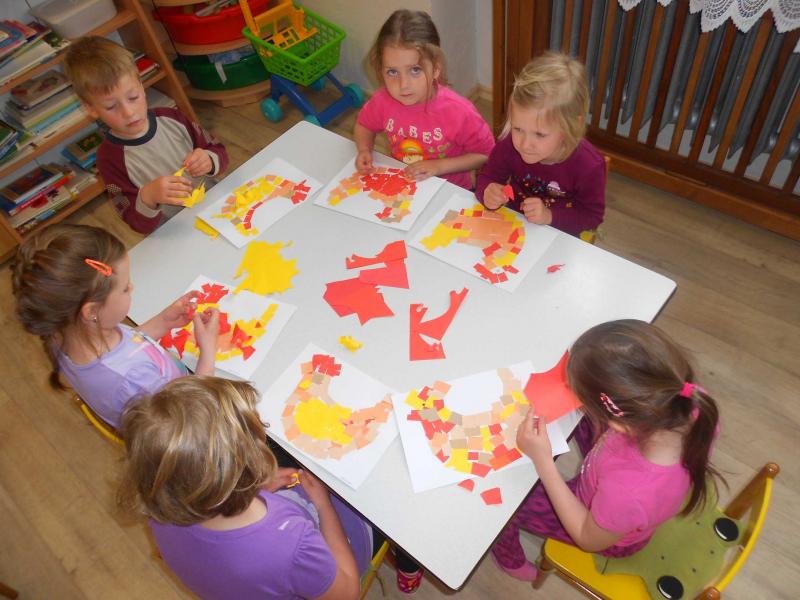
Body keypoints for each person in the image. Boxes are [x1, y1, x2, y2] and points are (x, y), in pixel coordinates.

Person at [492, 319, 722, 581]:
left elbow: (587, 538)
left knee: (505, 505)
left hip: (599, 527)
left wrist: (543, 461)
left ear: (619, 424)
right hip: (617, 482)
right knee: (572, 415)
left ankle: (509, 559)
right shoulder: (687, 399)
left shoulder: (628, 493)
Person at [117, 375, 373, 600]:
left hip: (242, 576)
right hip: (314, 568)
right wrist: (323, 505)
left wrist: (256, 488)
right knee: (366, 502)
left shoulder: (160, 506)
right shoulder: (291, 545)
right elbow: (347, 593)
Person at [11, 224, 219, 429]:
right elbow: (192, 419)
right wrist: (208, 353)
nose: (132, 287)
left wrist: (163, 321)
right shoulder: (136, 382)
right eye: (125, 288)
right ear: (92, 311)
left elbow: (128, 347)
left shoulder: (64, 333)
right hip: (192, 414)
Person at [63, 36, 229, 234]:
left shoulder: (172, 117)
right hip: (177, 233)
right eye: (111, 106)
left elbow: (218, 151)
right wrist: (148, 197)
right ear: (91, 109)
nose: (128, 112)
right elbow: (135, 222)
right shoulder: (109, 159)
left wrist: (209, 160)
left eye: (132, 97)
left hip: (219, 207)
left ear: (141, 86)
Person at [354, 9, 494, 190]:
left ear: (435, 69)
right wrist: (364, 149)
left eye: (415, 70)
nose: (403, 85)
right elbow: (365, 125)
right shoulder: (382, 100)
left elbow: (485, 154)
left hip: (450, 190)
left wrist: (438, 166)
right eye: (392, 72)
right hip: (404, 184)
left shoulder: (459, 111)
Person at [476, 52, 605, 238]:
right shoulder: (509, 146)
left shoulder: (589, 166)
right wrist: (487, 192)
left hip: (559, 233)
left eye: (540, 134)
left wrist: (549, 216)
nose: (525, 144)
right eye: (518, 129)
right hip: (515, 224)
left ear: (570, 126)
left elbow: (591, 217)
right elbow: (487, 177)